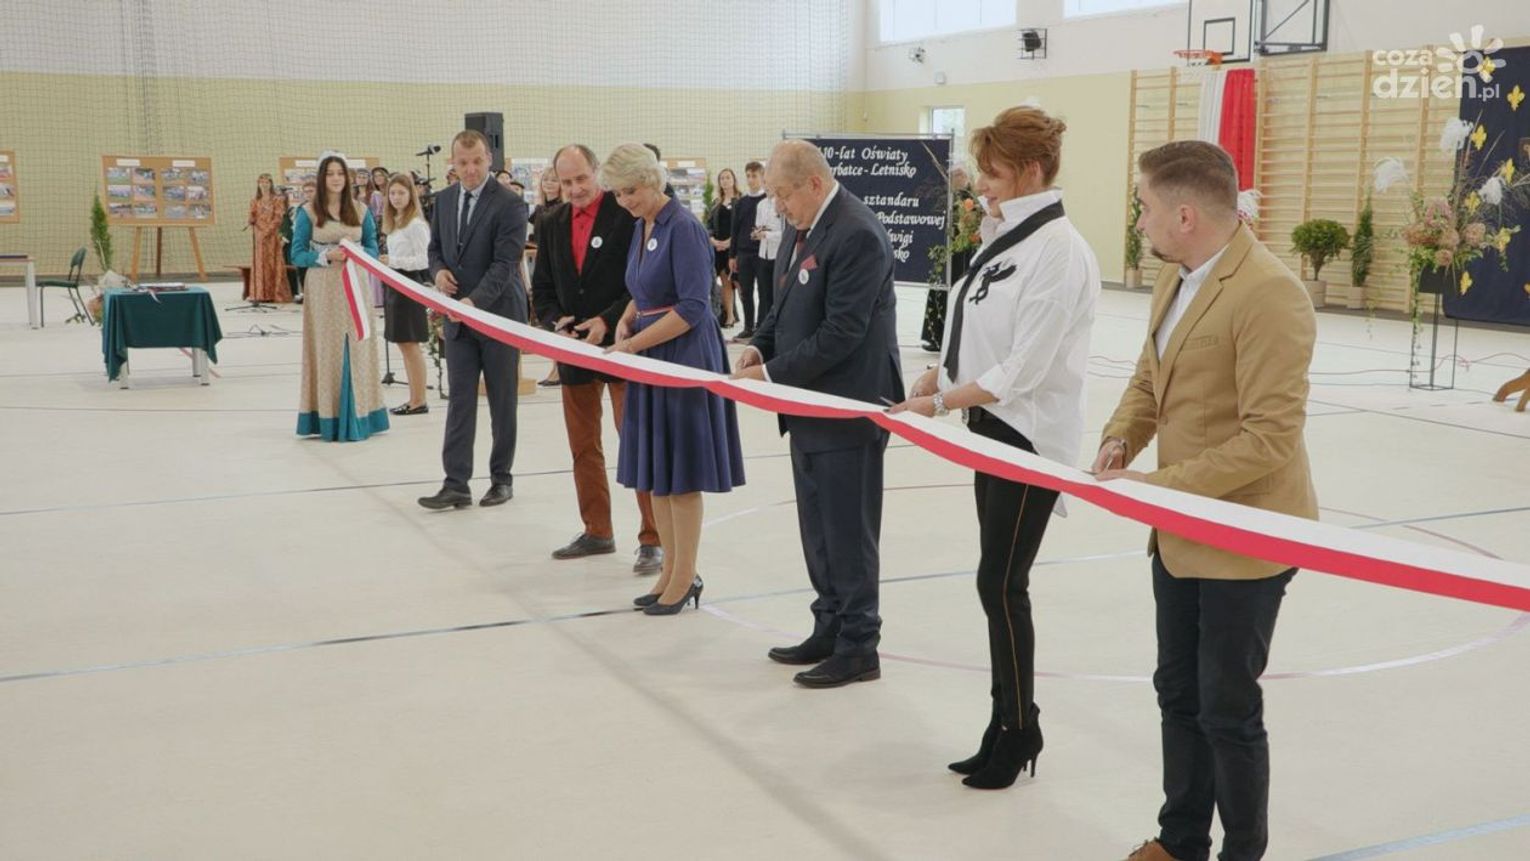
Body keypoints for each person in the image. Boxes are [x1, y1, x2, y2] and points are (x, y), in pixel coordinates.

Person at [1094, 140, 1318, 861]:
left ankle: (1241, 852)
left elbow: (1269, 439)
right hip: (1180, 530)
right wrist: (1121, 439)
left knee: (1227, 706)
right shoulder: (1176, 274)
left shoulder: (1269, 293)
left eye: (1145, 207)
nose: (1140, 220)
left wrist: (1158, 488)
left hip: (1246, 538)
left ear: (1185, 214)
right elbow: (1148, 377)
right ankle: (1181, 839)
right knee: (1177, 691)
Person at [891, 106, 1100, 789]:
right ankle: (1004, 721)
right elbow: (980, 324)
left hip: (1028, 435)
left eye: (994, 172)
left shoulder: (1058, 249)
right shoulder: (1007, 234)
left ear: (1031, 172)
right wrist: (940, 373)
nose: (981, 184)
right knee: (997, 582)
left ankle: (1018, 728)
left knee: (1002, 584)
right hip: (990, 425)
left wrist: (939, 402)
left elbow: (1025, 368)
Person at [733, 140, 903, 687]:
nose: (778, 207)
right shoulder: (802, 227)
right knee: (819, 530)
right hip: (807, 406)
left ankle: (859, 645)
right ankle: (828, 626)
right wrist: (758, 346)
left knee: (848, 532)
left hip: (847, 408)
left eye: (783, 194)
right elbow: (781, 309)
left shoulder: (857, 233)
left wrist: (770, 375)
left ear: (813, 182)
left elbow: (842, 333)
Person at [603, 143, 744, 614]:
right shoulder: (641, 226)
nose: (624, 201)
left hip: (682, 357)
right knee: (658, 474)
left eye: (630, 190)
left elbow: (692, 306)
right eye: (618, 193)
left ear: (651, 180)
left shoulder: (683, 227)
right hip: (651, 355)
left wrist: (632, 345)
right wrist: (627, 318)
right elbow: (643, 288)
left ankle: (685, 577)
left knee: (681, 475)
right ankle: (669, 572)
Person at [532, 144, 664, 576]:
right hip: (574, 352)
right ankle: (597, 530)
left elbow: (639, 283)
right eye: (566, 182)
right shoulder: (550, 223)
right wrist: (556, 321)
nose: (574, 189)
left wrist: (607, 321)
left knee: (636, 442)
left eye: (581, 179)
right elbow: (543, 287)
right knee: (583, 446)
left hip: (622, 344)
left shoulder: (626, 214)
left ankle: (653, 537)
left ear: (597, 173)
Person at [417, 130, 530, 511]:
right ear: (453, 162)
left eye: (477, 161)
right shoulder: (444, 200)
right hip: (458, 319)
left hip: (498, 316)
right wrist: (438, 272)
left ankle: (501, 479)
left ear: (489, 160)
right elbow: (435, 249)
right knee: (460, 400)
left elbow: (505, 264)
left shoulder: (510, 204)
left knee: (502, 401)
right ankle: (456, 483)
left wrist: (473, 301)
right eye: (463, 162)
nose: (470, 170)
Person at [290, 153, 388, 441]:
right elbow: (297, 254)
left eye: (340, 173)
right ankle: (328, 416)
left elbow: (373, 247)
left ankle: (362, 413)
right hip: (323, 288)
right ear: (322, 178)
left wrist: (356, 254)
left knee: (358, 344)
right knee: (328, 348)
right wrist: (325, 256)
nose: (335, 178)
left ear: (348, 178)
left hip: (356, 286)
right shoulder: (308, 212)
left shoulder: (361, 210)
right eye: (330, 173)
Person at [380, 172, 432, 416]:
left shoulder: (416, 224)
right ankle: (414, 398)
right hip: (394, 285)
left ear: (411, 195)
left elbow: (424, 260)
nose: (396, 197)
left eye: (401, 193)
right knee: (403, 344)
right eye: (392, 193)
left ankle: (419, 400)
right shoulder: (395, 222)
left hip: (409, 284)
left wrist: (394, 261)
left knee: (411, 345)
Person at [921, 164, 976, 352]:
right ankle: (935, 336)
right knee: (939, 290)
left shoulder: (972, 198)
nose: (957, 178)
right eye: (954, 175)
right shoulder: (944, 196)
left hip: (963, 253)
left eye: (960, 174)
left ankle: (955, 338)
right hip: (946, 250)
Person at [531, 163, 565, 387]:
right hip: (543, 266)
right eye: (546, 180)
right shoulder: (539, 210)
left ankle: (559, 367)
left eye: (554, 180)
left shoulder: (562, 209)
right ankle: (555, 366)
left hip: (557, 267)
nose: (549, 184)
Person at [728, 161, 769, 340]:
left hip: (762, 252)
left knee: (764, 291)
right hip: (744, 253)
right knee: (745, 291)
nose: (751, 180)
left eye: (754, 176)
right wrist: (732, 255)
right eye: (748, 176)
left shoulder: (768, 201)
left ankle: (761, 326)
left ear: (762, 177)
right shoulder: (741, 202)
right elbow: (735, 230)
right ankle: (748, 326)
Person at [247, 173, 291, 304]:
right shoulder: (255, 201)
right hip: (259, 237)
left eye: (267, 182)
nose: (264, 185)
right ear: (258, 184)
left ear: (271, 184)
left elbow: (278, 218)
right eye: (262, 182)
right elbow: (252, 216)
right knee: (260, 264)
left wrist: (266, 232)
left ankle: (274, 293)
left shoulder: (277, 200)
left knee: (272, 263)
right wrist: (251, 220)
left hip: (271, 237)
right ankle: (259, 293)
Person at [708, 168, 741, 328]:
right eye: (722, 178)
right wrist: (713, 240)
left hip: (735, 248)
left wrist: (730, 242)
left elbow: (744, 226)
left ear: (734, 180)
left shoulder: (741, 201)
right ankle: (730, 316)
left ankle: (750, 320)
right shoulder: (716, 203)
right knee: (725, 282)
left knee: (740, 283)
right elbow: (709, 225)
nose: (725, 181)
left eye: (728, 177)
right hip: (719, 249)